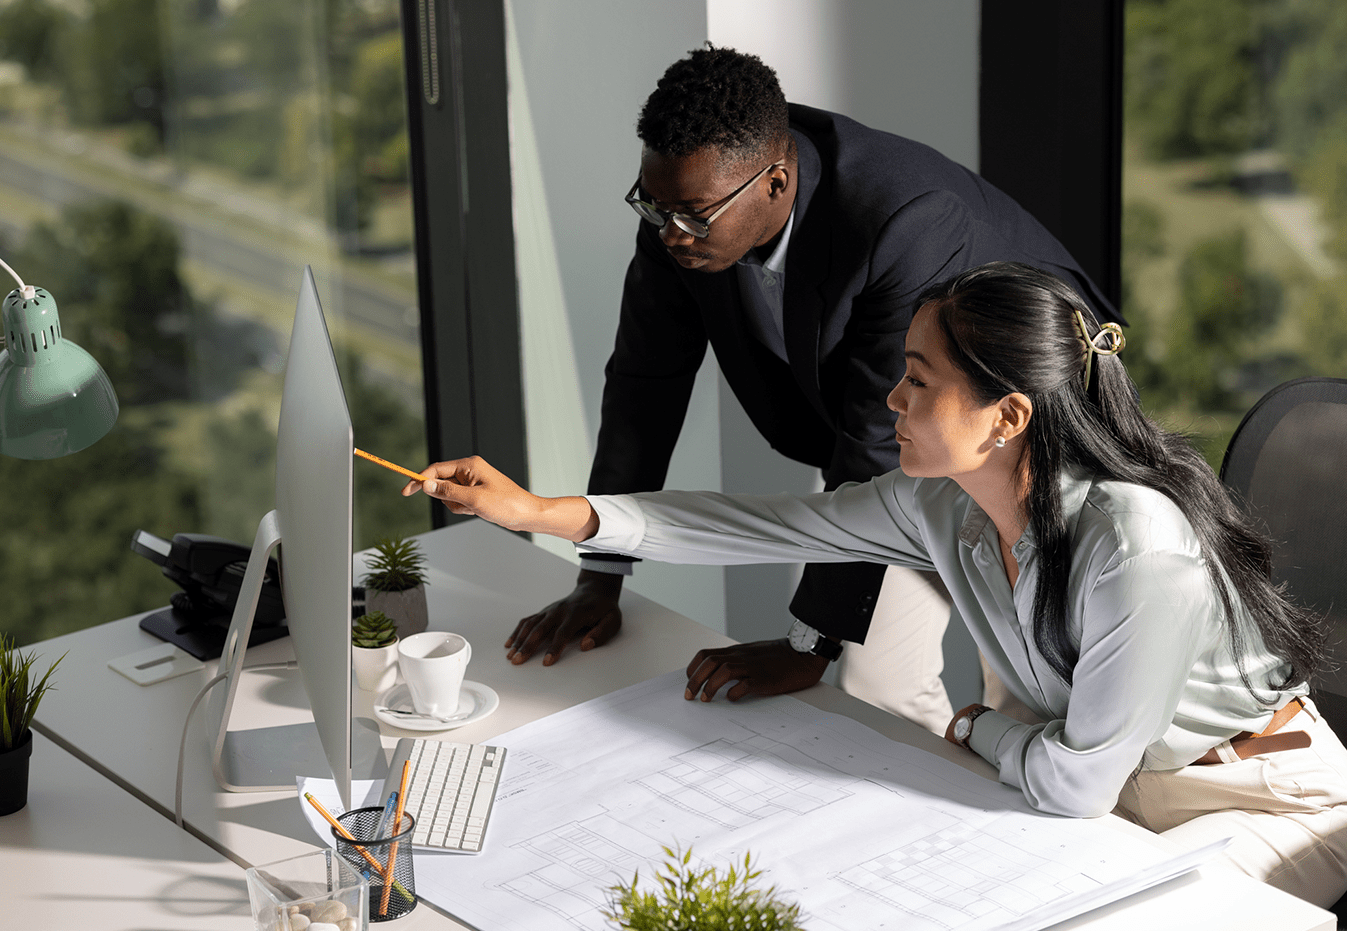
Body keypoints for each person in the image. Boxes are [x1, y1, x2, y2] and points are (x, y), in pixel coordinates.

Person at [405, 262, 1347, 906]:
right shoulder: (936, 506)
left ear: (1004, 417)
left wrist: (980, 725)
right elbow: (760, 523)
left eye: (918, 379)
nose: (892, 399)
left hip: (1257, 800)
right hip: (1117, 781)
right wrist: (541, 513)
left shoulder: (1135, 545)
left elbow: (1073, 786)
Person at [508, 46, 1123, 736]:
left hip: (1023, 428)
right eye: (654, 205)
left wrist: (809, 642)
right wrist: (601, 574)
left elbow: (871, 439)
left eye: (692, 216)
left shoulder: (902, 221)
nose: (671, 235)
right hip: (912, 433)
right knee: (879, 686)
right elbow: (643, 388)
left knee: (1024, 695)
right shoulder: (685, 210)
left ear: (775, 183)